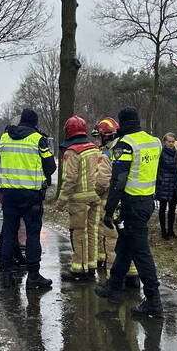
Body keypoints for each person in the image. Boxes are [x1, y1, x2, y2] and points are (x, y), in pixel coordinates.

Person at [94, 107, 164, 318]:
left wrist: (109, 210)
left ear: (122, 123)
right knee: (124, 246)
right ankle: (114, 285)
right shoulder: (154, 141)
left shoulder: (125, 145)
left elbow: (118, 181)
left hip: (132, 204)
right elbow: (158, 172)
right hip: (147, 202)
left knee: (141, 253)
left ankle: (154, 301)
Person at [0, 108, 55, 289]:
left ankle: (7, 273)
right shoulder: (38, 140)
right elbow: (51, 167)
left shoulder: (3, 139)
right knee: (33, 235)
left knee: (9, 232)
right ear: (35, 123)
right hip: (31, 196)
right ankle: (33, 276)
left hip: (9, 195)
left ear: (20, 121)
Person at [57, 116, 111, 281]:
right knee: (93, 231)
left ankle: (79, 269)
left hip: (79, 200)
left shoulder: (71, 152)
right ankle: (92, 266)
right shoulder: (95, 149)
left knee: (79, 233)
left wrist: (61, 201)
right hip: (96, 197)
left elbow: (70, 180)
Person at [94, 117, 140, 288]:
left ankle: (114, 280)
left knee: (112, 241)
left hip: (111, 204)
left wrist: (97, 191)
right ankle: (132, 275)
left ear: (104, 136)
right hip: (130, 202)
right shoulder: (128, 148)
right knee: (130, 239)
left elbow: (102, 182)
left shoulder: (107, 155)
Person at [0, 115, 28, 266]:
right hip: (19, 189)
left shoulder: (2, 140)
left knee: (6, 221)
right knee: (10, 223)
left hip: (4, 188)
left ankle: (8, 255)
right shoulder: (22, 141)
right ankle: (10, 254)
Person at [156, 132, 177, 240]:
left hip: (174, 184)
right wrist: (160, 182)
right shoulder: (160, 154)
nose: (171, 144)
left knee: (172, 209)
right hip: (164, 184)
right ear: (165, 142)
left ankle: (171, 230)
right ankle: (163, 231)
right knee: (162, 208)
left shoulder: (176, 153)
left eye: (172, 141)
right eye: (169, 141)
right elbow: (157, 169)